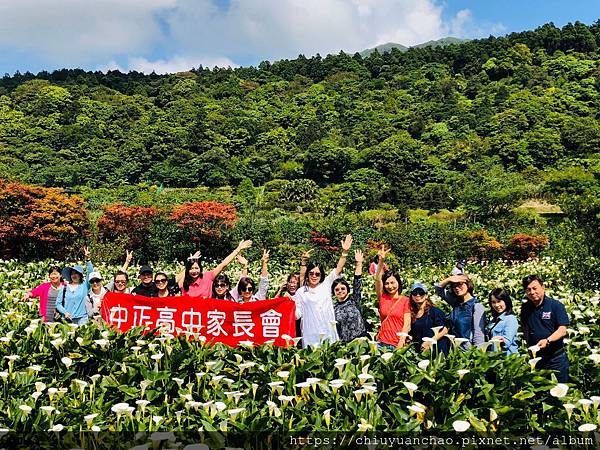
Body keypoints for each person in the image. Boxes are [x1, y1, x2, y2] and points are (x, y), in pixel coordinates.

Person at [293, 235, 353, 348]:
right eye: (311, 273)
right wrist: (286, 307)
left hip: (328, 333)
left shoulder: (326, 285)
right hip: (310, 335)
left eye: (317, 274)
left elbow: (338, 268)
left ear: (321, 275)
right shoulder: (301, 292)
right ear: (307, 274)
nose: (314, 276)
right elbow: (297, 315)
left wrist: (344, 252)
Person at [520, 275, 570, 382]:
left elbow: (562, 329)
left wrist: (548, 340)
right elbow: (525, 328)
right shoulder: (525, 308)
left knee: (559, 391)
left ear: (543, 287)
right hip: (536, 358)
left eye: (535, 288)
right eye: (528, 290)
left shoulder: (556, 306)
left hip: (555, 359)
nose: (532, 292)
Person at [178, 240, 252, 297]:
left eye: (196, 268)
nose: (194, 271)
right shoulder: (184, 282)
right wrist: (191, 260)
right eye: (191, 268)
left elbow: (223, 264)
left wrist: (238, 249)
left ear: (200, 268)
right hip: (189, 314)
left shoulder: (207, 277)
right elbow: (176, 279)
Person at [435, 271, 486, 351]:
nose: (457, 288)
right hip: (454, 350)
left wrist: (477, 355)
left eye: (460, 284)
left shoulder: (476, 306)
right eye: (454, 286)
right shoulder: (456, 303)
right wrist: (449, 279)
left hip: (467, 352)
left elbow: (478, 334)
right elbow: (438, 289)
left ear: (468, 285)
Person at [375, 245, 411, 349]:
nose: (390, 286)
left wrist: (402, 341)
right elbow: (377, 279)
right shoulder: (383, 297)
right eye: (387, 283)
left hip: (397, 344)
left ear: (398, 283)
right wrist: (381, 262)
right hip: (381, 342)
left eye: (393, 282)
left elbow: (407, 323)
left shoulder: (405, 300)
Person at [333, 249, 368, 343]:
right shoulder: (334, 308)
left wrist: (359, 263)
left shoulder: (354, 301)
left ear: (348, 290)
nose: (340, 291)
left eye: (343, 288)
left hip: (360, 341)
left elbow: (357, 283)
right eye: (337, 289)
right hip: (344, 344)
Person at [408, 282, 450, 355]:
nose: (418, 295)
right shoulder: (413, 314)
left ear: (426, 295)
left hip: (437, 352)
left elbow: (445, 329)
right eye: (414, 293)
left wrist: (430, 341)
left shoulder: (434, 311)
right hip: (422, 353)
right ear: (412, 296)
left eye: (421, 292)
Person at [55, 247, 93, 325]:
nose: (74, 275)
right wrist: (65, 312)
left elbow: (90, 272)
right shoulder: (64, 287)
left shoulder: (84, 286)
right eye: (72, 273)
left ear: (80, 276)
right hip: (67, 319)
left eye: (76, 273)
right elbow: (58, 304)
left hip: (82, 319)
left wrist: (88, 260)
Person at [486, 288, 519, 355]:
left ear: (505, 301)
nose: (496, 305)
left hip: (508, 361)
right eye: (493, 302)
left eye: (499, 301)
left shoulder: (510, 319)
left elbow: (507, 342)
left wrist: (502, 340)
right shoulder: (493, 321)